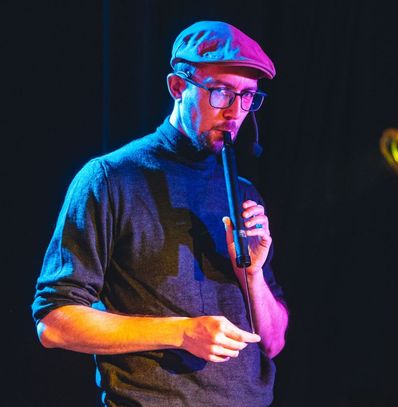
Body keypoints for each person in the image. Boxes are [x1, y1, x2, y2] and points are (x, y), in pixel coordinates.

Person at [32, 20, 288, 407]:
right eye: (221, 92)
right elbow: (54, 323)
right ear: (178, 87)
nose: (235, 112)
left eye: (248, 95)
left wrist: (252, 275)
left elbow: (274, 341)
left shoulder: (243, 192)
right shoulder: (110, 178)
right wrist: (181, 332)